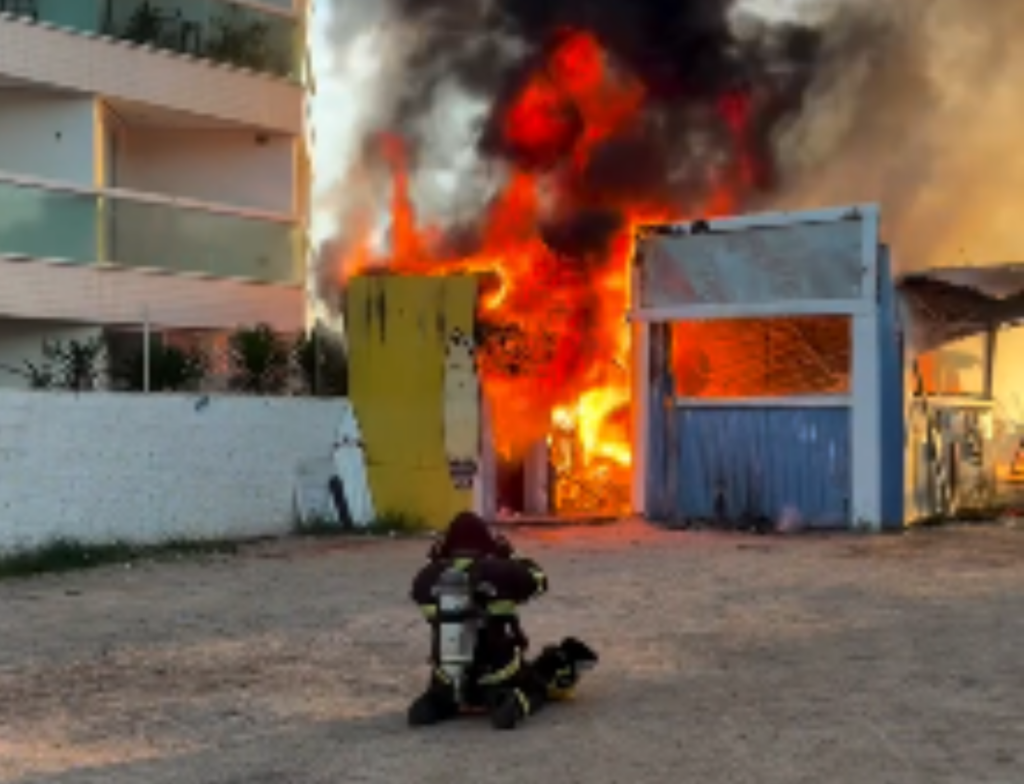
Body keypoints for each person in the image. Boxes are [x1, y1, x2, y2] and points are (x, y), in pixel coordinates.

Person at [408, 511, 598, 730]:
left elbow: (422, 594)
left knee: (435, 698)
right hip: (499, 674)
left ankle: (437, 703)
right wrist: (509, 555)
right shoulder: (503, 571)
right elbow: (539, 580)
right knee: (536, 684)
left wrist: (436, 560)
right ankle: (515, 703)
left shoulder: (425, 578)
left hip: (448, 677)